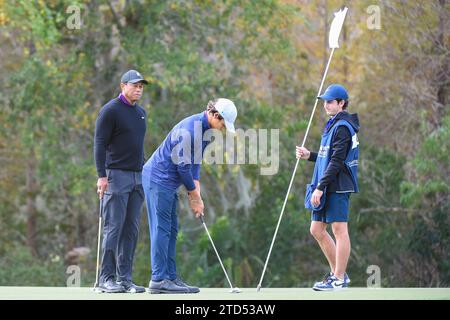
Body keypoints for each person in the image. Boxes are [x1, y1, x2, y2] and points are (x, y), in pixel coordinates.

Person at [143, 98, 237, 294]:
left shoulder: (205, 131)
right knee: (162, 228)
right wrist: (194, 197)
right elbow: (183, 167)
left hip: (168, 182)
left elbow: (194, 165)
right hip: (157, 180)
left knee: (172, 228)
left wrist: (198, 197)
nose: (222, 128)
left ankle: (170, 277)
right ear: (214, 115)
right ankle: (158, 280)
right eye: (222, 123)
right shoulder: (190, 131)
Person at [296, 84, 359, 291]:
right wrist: (309, 156)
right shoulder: (333, 124)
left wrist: (320, 187)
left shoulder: (342, 126)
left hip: (338, 185)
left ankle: (338, 278)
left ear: (341, 103)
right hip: (327, 183)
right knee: (316, 229)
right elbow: (327, 157)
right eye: (325, 101)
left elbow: (338, 161)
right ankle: (338, 274)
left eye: (330, 101)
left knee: (339, 229)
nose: (326, 105)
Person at [94, 70, 148, 293]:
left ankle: (125, 278)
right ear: (123, 85)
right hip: (116, 176)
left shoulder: (141, 113)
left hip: (138, 177)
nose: (138, 89)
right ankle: (106, 278)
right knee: (113, 227)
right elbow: (99, 143)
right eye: (135, 85)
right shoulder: (110, 111)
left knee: (131, 230)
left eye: (141, 86)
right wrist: (101, 175)